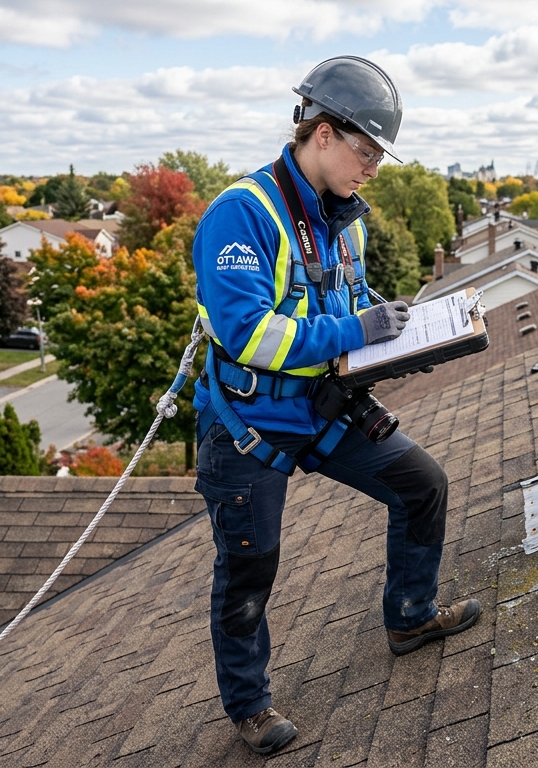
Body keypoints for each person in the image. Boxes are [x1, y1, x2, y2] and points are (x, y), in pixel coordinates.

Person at [190, 56, 481, 756]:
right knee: (250, 566)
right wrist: (356, 331)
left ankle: (409, 616)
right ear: (323, 133)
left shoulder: (343, 220)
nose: (374, 167)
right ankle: (250, 707)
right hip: (250, 425)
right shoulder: (241, 215)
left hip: (321, 408)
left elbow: (350, 303)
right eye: (367, 149)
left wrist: (393, 329)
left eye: (379, 154)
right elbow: (249, 334)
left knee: (423, 486)